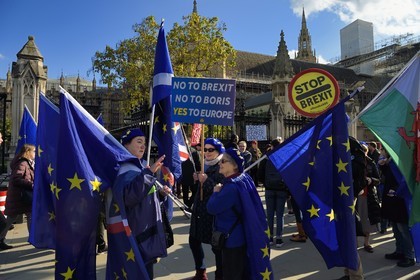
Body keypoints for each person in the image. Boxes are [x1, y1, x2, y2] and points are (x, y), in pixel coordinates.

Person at [107, 128, 171, 279]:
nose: (143, 146)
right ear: (126, 145)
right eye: (139, 142)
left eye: (144, 143)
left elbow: (145, 196)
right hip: (135, 235)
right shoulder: (126, 169)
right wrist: (149, 174)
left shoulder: (140, 167)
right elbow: (130, 197)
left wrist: (161, 194)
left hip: (145, 232)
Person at [207, 148, 273, 279]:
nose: (220, 163)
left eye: (223, 161)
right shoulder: (244, 178)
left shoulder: (230, 187)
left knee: (232, 274)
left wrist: (215, 192)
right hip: (241, 236)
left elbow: (211, 207)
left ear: (234, 165)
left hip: (231, 240)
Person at [189, 138, 225, 280]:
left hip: (212, 213)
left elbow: (222, 188)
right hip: (199, 211)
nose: (207, 152)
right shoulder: (205, 165)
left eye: (211, 150)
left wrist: (206, 181)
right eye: (205, 149)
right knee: (193, 240)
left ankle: (220, 275)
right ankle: (201, 271)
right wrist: (197, 178)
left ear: (218, 151)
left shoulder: (222, 165)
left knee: (216, 247)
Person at [379, 148, 415, 267]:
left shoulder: (400, 161)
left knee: (402, 228)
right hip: (392, 198)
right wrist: (384, 166)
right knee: (395, 226)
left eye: (383, 149)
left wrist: (397, 192)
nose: (381, 151)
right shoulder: (391, 161)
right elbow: (389, 177)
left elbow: (404, 180)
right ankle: (400, 251)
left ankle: (409, 256)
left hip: (400, 199)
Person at [0, 144, 36, 251]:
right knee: (10, 219)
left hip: (21, 198)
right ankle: (0, 238)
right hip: (20, 198)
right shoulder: (23, 163)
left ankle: (32, 237)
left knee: (29, 215)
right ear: (27, 152)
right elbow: (17, 178)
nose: (35, 153)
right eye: (33, 151)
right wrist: (31, 185)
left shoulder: (26, 163)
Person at [262, 138, 288, 247]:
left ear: (271, 146)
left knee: (270, 214)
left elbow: (260, 173)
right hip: (281, 189)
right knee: (280, 215)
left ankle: (270, 237)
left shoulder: (266, 157)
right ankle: (279, 239)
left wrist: (265, 183)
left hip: (269, 189)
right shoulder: (285, 157)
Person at [357, 144, 381, 253]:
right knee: (356, 220)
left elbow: (378, 179)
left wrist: (371, 179)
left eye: (364, 151)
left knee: (367, 221)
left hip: (368, 196)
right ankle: (354, 243)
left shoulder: (371, 163)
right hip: (356, 196)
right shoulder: (353, 162)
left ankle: (367, 242)